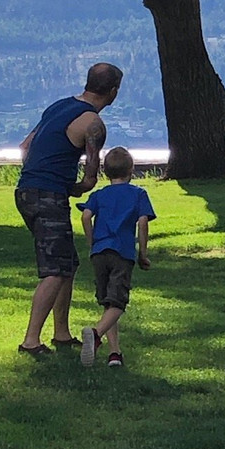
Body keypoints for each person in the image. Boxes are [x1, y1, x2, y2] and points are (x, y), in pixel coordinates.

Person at [15, 62, 121, 356]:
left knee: (67, 264)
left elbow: (25, 146)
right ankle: (31, 341)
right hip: (48, 195)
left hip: (26, 191)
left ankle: (61, 333)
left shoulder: (59, 106)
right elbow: (89, 178)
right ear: (113, 92)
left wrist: (39, 175)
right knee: (54, 271)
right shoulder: (94, 125)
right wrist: (72, 187)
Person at [78, 147, 155, 368]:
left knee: (108, 302)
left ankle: (115, 354)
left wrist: (92, 243)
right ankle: (96, 334)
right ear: (132, 170)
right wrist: (143, 254)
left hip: (99, 253)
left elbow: (85, 217)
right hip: (122, 252)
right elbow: (142, 222)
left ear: (105, 172)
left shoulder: (98, 195)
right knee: (119, 303)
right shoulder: (138, 194)